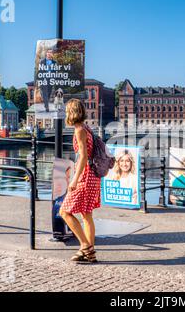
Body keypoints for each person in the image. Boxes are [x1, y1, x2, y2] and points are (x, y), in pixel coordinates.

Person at [59, 99, 101, 263]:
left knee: (64, 212)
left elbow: (83, 156)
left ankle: (85, 246)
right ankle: (89, 253)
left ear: (71, 113)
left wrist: (74, 180)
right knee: (86, 215)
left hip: (85, 176)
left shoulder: (79, 131)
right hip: (93, 175)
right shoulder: (86, 128)